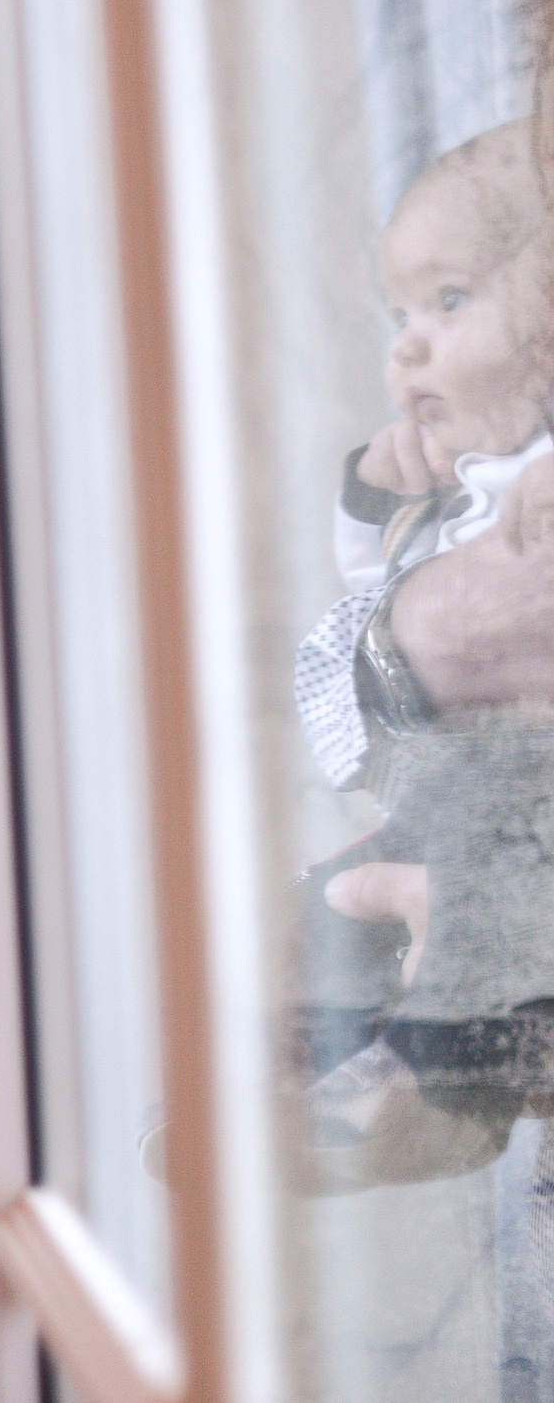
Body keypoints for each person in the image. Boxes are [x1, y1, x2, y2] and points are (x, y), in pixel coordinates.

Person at [290, 119, 554, 1190]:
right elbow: (372, 592)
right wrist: (380, 504)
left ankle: (446, 1097)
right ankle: (295, 1069)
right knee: (319, 909)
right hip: (438, 792)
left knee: (473, 897)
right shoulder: (464, 475)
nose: (406, 345)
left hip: (511, 794)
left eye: (449, 302)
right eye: (400, 314)